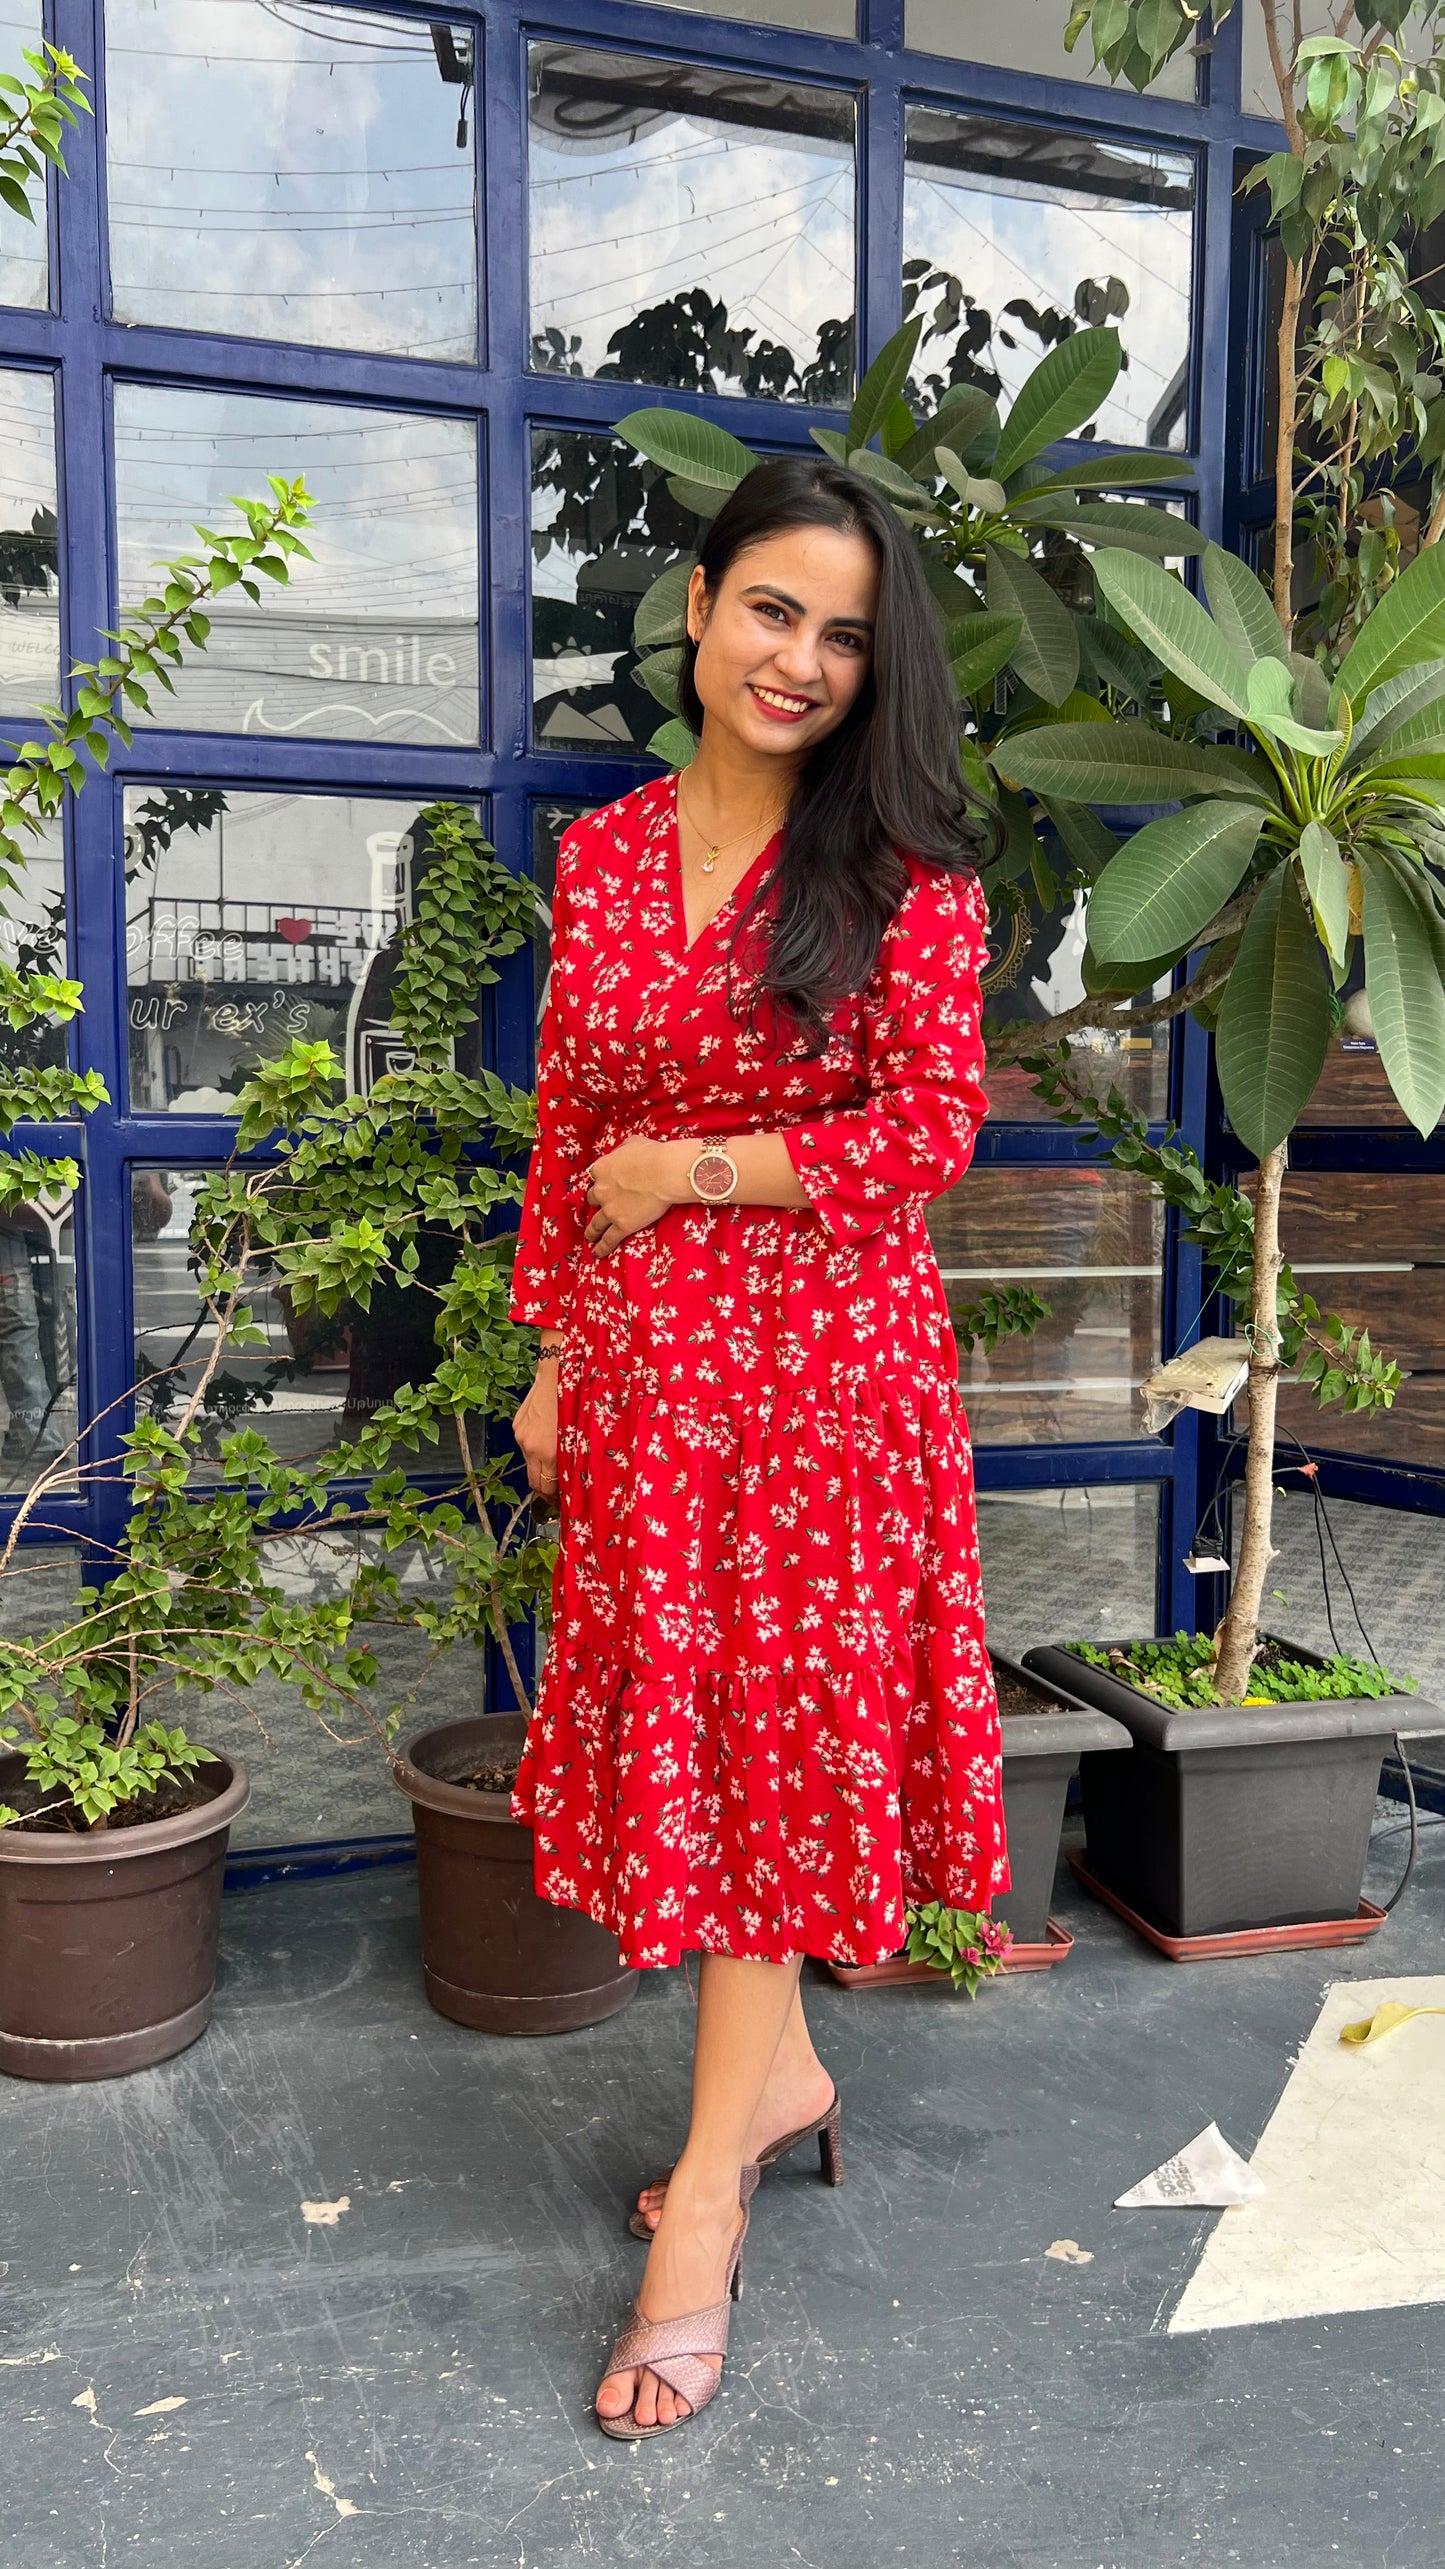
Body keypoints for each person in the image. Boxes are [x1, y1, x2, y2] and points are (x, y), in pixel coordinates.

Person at [509, 456, 1008, 2443]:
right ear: (702, 606)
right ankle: (779, 2078)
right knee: (703, 1747)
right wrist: (557, 1355)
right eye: (774, 609)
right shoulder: (608, 859)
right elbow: (568, 1123)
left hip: (823, 1391)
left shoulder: (904, 877)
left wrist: (701, 1168)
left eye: (845, 635)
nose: (800, 659)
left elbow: (931, 1127)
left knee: (768, 1764)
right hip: (651, 1382)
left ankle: (705, 2207)